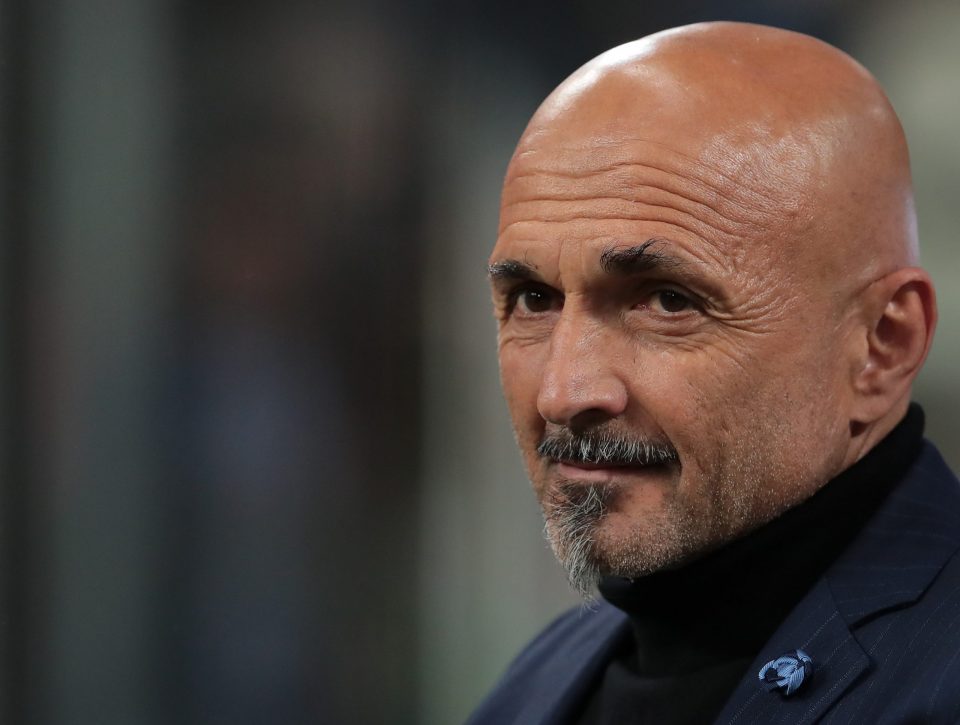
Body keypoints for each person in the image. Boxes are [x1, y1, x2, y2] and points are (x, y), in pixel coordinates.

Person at [468, 21, 960, 725]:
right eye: (533, 299)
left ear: (883, 344)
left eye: (668, 301)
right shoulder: (539, 681)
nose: (564, 393)